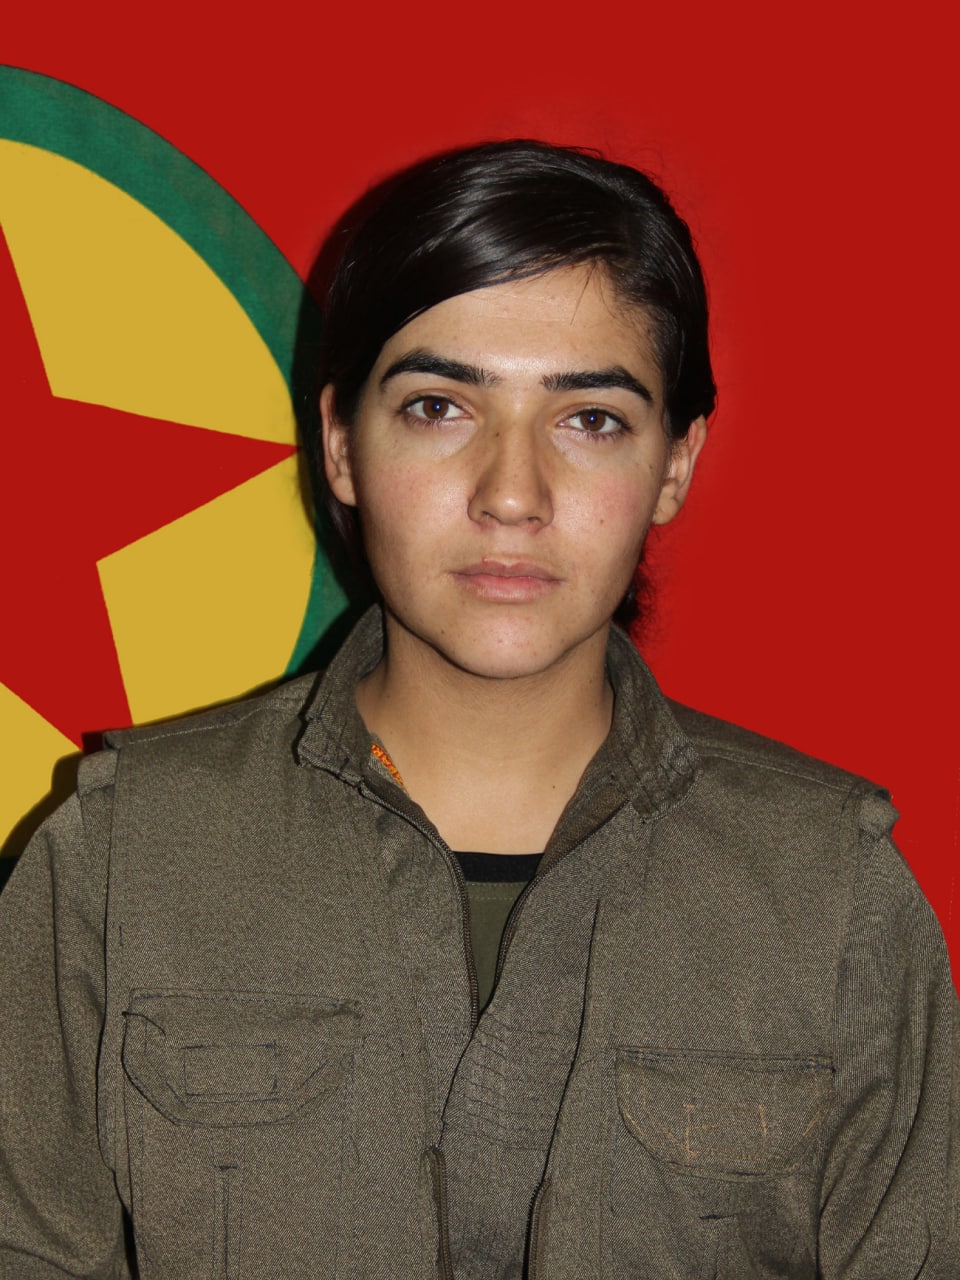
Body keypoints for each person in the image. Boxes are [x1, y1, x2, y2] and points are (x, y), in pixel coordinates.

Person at [0, 140, 956, 1279]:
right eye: (439, 406)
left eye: (590, 418)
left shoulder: (831, 894)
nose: (512, 493)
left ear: (675, 463)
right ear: (342, 446)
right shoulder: (121, 859)